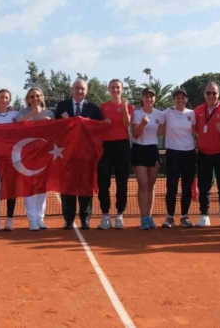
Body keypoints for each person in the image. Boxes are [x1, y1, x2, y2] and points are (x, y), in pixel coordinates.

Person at [54, 79, 102, 230]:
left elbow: (98, 129)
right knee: (67, 187)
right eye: (77, 88)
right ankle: (68, 219)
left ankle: (85, 219)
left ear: (86, 91)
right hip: (66, 154)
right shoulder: (62, 106)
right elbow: (53, 128)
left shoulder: (93, 109)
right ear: (72, 89)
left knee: (86, 187)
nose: (79, 91)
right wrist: (64, 122)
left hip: (87, 156)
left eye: (82, 89)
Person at [193, 82, 220, 228]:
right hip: (204, 154)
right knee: (203, 186)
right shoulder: (198, 110)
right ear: (205, 94)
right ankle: (204, 215)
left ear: (218, 94)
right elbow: (194, 128)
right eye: (208, 92)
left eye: (214, 93)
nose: (211, 95)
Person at [96, 79, 134, 230]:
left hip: (122, 146)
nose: (115, 90)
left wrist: (124, 108)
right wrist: (103, 123)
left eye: (118, 87)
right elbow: (97, 128)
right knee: (104, 182)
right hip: (106, 146)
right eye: (113, 87)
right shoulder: (103, 107)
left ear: (122, 89)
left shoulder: (128, 106)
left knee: (122, 183)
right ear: (109, 89)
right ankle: (105, 216)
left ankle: (119, 215)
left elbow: (126, 124)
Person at [17, 87, 55, 231]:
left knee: (42, 188)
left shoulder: (49, 113)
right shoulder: (23, 112)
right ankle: (32, 219)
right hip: (26, 155)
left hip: (44, 155)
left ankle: (40, 218)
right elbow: (18, 123)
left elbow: (56, 131)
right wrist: (32, 113)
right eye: (32, 96)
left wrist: (48, 122)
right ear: (28, 99)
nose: (35, 99)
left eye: (38, 96)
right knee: (28, 188)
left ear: (42, 97)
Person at [162, 88, 196, 228]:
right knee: (172, 186)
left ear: (187, 99)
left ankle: (184, 216)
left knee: (187, 187)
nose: (180, 100)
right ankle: (170, 217)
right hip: (173, 153)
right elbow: (153, 116)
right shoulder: (167, 113)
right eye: (177, 98)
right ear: (174, 100)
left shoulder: (192, 114)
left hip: (189, 153)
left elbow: (197, 130)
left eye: (183, 97)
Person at [131, 88, 164, 230]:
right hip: (139, 149)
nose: (148, 99)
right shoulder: (137, 114)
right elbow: (135, 135)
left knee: (151, 184)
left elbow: (162, 133)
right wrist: (143, 124)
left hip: (152, 150)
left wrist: (163, 124)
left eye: (151, 97)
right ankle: (143, 217)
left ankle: (149, 216)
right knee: (143, 184)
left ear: (154, 99)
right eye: (146, 96)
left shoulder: (160, 114)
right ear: (142, 99)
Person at [0, 89, 20, 231]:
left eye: (6, 98)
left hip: (12, 158)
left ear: (9, 100)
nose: (4, 100)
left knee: (11, 188)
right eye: (1, 97)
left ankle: (9, 219)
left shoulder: (15, 115)